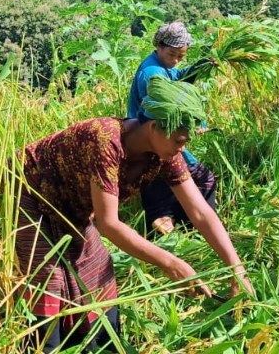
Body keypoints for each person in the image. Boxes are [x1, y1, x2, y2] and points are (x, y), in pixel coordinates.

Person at [16, 77, 251, 352]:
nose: (183, 148)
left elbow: (200, 211)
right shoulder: (106, 140)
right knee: (49, 279)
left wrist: (236, 269)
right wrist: (171, 263)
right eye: (179, 140)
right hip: (28, 191)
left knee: (97, 271)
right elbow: (108, 224)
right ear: (154, 127)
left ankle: (104, 348)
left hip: (73, 206)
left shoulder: (166, 154)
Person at [127, 21, 217, 236]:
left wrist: (200, 67)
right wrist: (192, 125)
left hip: (156, 138)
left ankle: (182, 231)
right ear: (159, 46)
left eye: (181, 57)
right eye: (172, 54)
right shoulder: (151, 74)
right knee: (202, 179)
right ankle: (198, 230)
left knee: (165, 187)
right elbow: (162, 109)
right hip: (156, 138)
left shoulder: (163, 66)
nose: (175, 60)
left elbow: (179, 78)